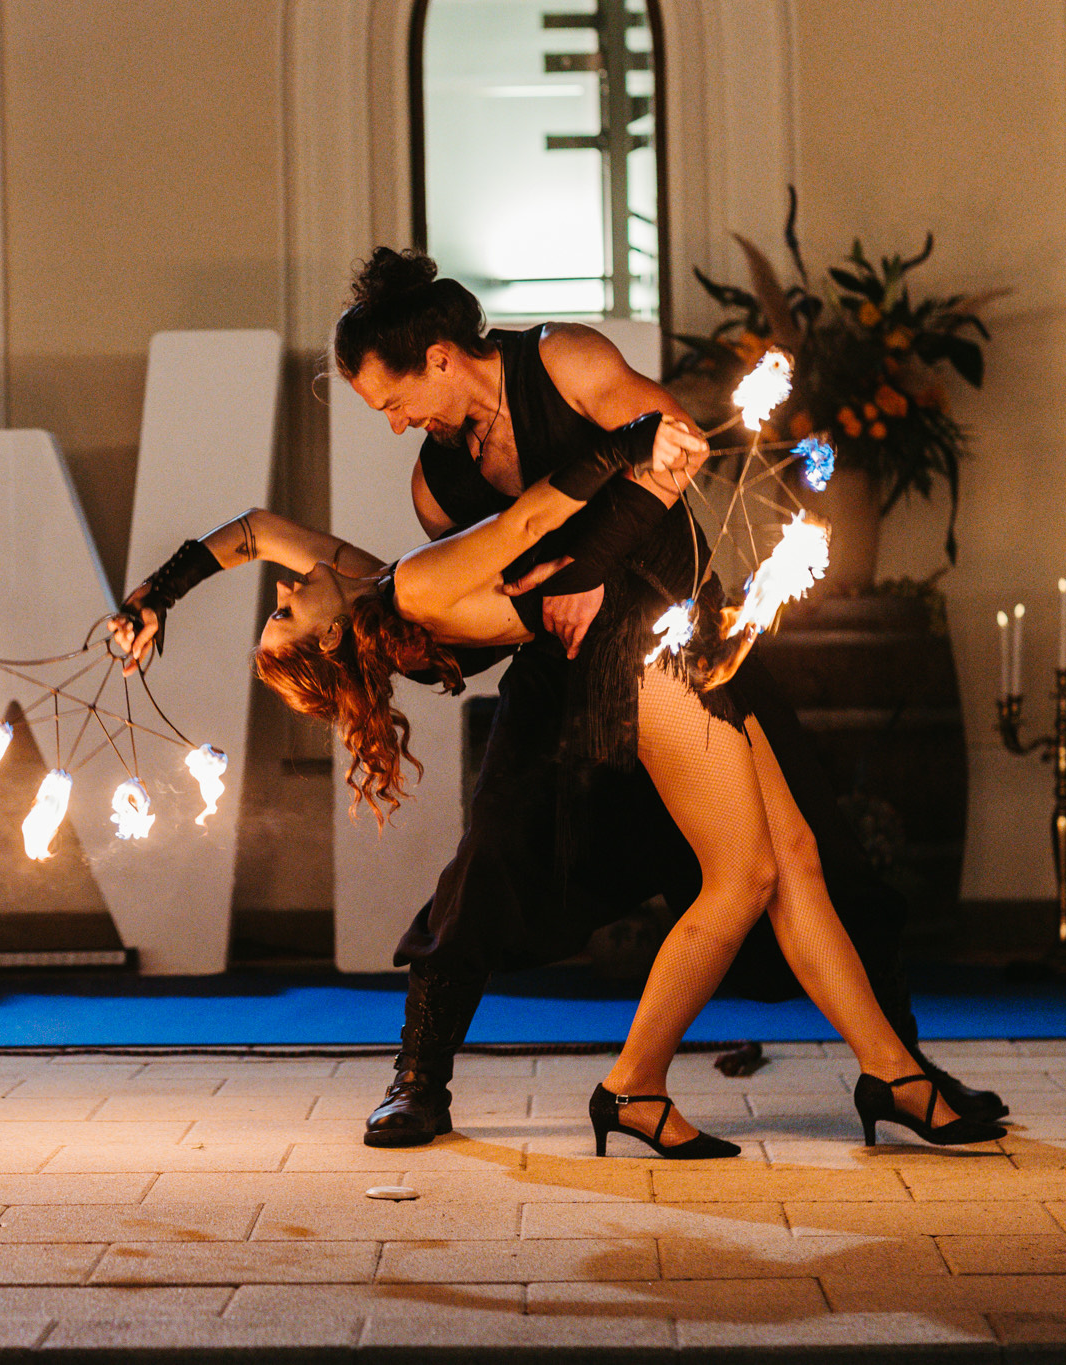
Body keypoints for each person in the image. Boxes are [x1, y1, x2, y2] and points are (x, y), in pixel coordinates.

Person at [119, 248, 1004, 1149]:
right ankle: (557, 1080)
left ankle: (895, 1072)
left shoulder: (548, 375)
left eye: (391, 401)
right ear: (333, 638)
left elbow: (264, 532)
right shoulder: (420, 545)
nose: (394, 424)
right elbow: (527, 527)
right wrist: (605, 503)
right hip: (618, 656)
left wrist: (156, 594)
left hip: (673, 619)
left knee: (805, 854)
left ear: (438, 358)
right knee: (675, 871)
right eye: (283, 612)